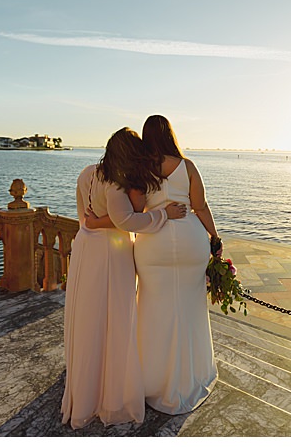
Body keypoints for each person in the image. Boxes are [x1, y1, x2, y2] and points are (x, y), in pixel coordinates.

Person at [61, 127, 187, 429]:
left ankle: (85, 387)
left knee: (88, 318)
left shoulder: (87, 173)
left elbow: (84, 219)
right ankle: (108, 392)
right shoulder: (116, 182)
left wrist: (94, 222)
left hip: (84, 250)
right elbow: (126, 221)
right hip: (110, 256)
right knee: (114, 319)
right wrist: (164, 215)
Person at [134, 115, 220, 414]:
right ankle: (190, 376)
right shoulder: (188, 166)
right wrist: (215, 236)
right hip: (190, 241)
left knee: (153, 308)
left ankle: (152, 380)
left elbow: (134, 210)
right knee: (190, 308)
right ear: (170, 134)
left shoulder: (139, 168)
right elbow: (201, 206)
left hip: (153, 243)